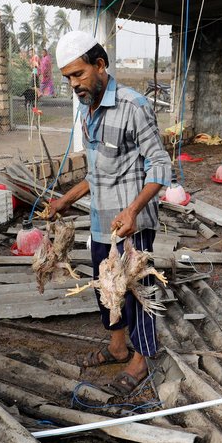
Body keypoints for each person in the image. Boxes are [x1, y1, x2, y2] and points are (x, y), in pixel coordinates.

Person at [46, 30, 172, 395]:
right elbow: (96, 174)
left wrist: (133, 210)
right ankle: (118, 347)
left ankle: (143, 357)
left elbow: (160, 167)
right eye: (68, 77)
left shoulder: (134, 106)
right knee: (107, 287)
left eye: (79, 74)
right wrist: (65, 201)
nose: (73, 84)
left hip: (132, 223)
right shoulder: (88, 114)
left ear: (100, 65)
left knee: (138, 289)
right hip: (101, 220)